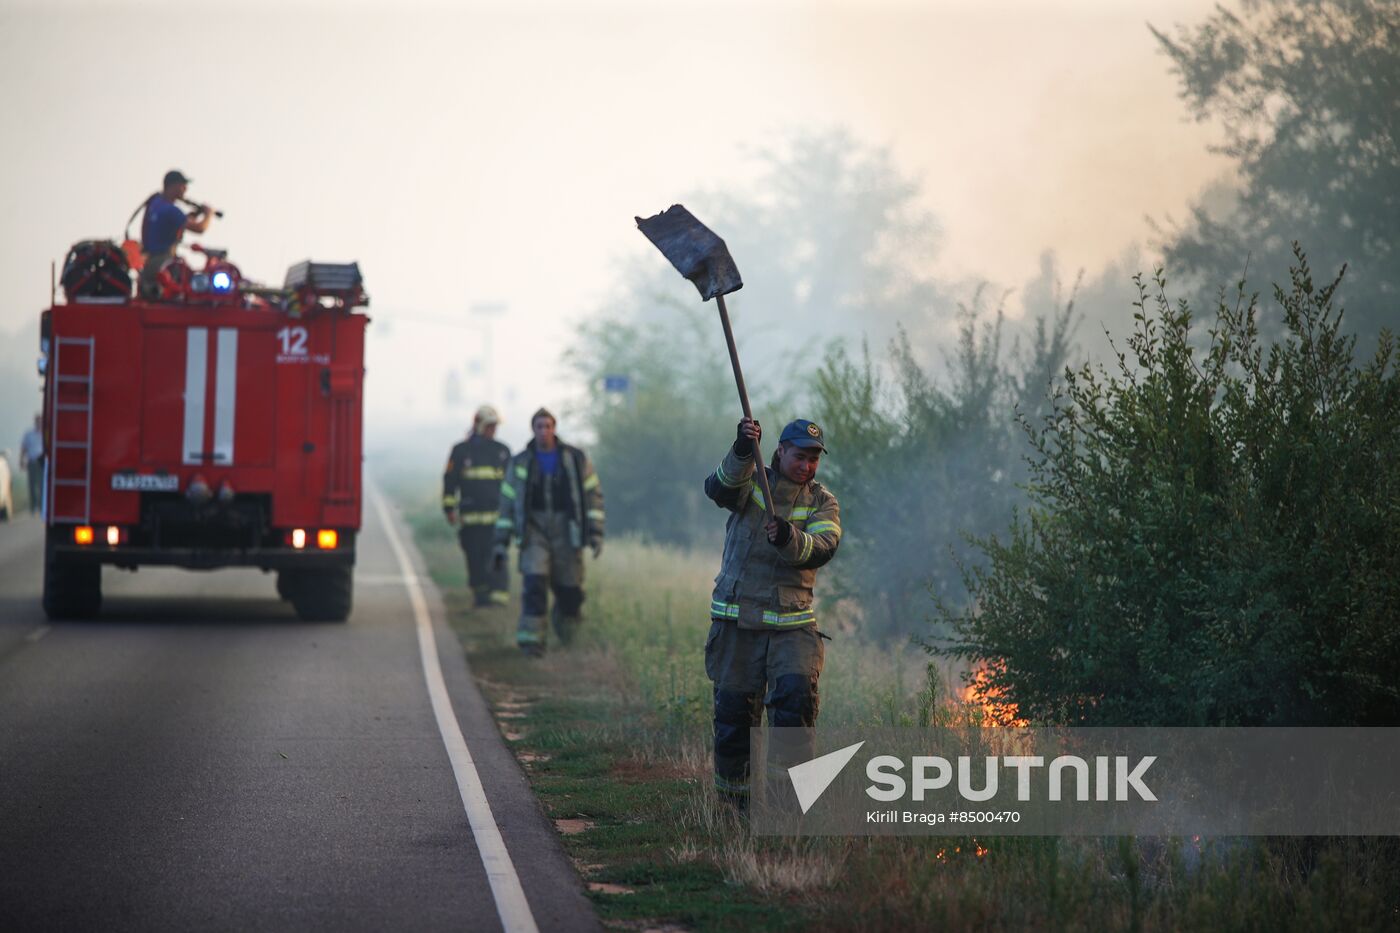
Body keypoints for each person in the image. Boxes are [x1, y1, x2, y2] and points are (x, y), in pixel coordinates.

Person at [702, 416, 842, 809]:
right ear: (781, 451)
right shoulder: (751, 481)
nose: (807, 465)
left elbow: (823, 546)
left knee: (795, 713)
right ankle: (733, 811)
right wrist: (743, 449)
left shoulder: (822, 501)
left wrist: (788, 537)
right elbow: (718, 488)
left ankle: (787, 812)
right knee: (734, 722)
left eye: (814, 459)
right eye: (800, 456)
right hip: (736, 624)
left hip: (792, 627)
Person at [493, 408, 604, 657]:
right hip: (534, 529)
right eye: (539, 426)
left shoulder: (576, 458)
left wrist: (595, 533)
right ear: (533, 429)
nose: (544, 431)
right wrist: (501, 541)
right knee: (534, 584)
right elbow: (508, 501)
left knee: (570, 591)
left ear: (555, 428)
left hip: (567, 530)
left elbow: (593, 496)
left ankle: (569, 638)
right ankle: (532, 643)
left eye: (548, 426)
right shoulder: (520, 461)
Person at [442, 405, 512, 607]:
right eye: (490, 426)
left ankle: (498, 600)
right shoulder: (461, 451)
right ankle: (481, 599)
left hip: (497, 520)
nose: (493, 430)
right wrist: (449, 509)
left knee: (498, 557)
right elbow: (450, 481)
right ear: (479, 425)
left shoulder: (502, 451)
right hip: (470, 520)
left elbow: (511, 486)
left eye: (495, 426)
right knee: (475, 559)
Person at [138, 169, 214, 299]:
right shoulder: (170, 209)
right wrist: (209, 214)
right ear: (173, 186)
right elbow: (200, 229)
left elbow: (173, 225)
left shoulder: (156, 204)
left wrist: (193, 216)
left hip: (150, 264)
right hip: (164, 264)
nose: (185, 189)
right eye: (183, 185)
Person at [19, 414, 44, 514]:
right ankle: (33, 507)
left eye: (40, 421)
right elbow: (24, 448)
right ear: (35, 422)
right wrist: (21, 460)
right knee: (32, 485)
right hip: (32, 461)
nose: (39, 423)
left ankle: (41, 506)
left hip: (42, 462)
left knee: (43, 485)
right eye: (37, 421)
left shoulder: (46, 433)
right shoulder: (29, 434)